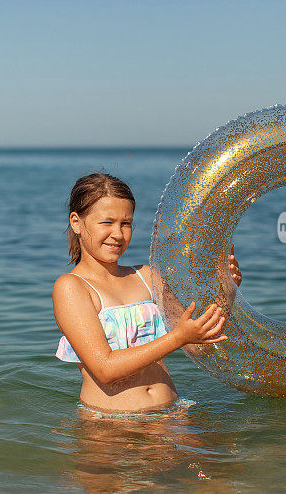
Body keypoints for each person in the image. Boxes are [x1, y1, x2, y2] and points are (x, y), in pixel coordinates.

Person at [52, 173, 242, 413]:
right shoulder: (71, 287)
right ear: (76, 222)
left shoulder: (147, 276)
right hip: (110, 425)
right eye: (107, 223)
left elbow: (197, 346)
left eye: (126, 223)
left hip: (172, 413)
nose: (118, 234)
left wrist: (227, 291)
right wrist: (177, 338)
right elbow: (105, 369)